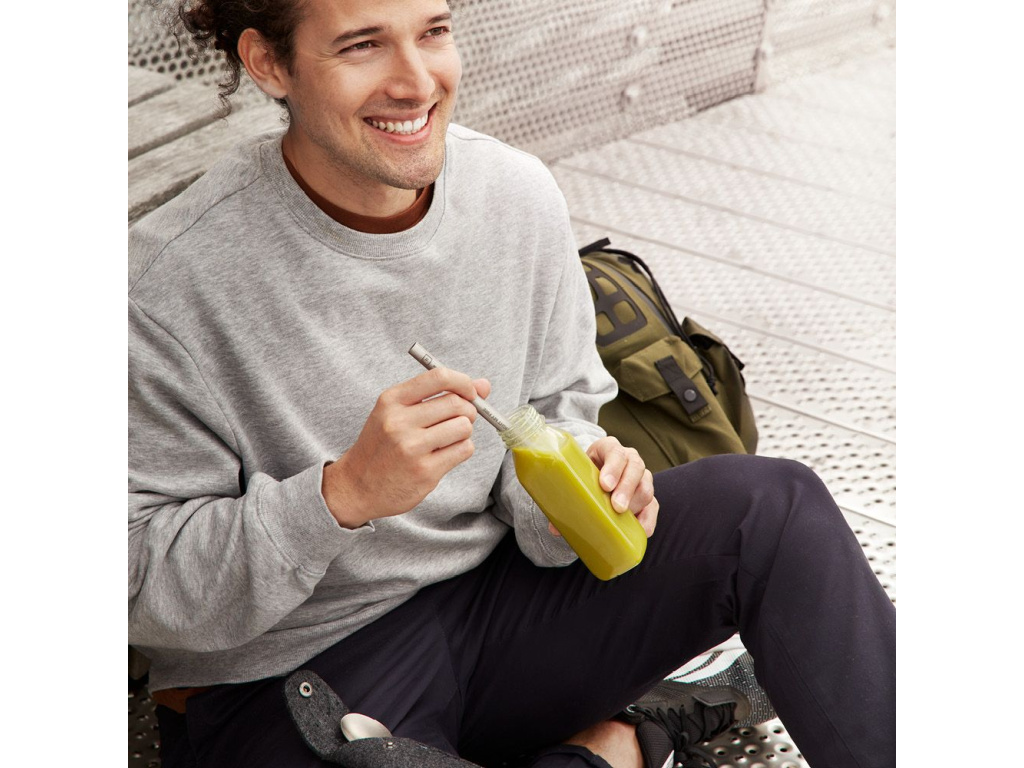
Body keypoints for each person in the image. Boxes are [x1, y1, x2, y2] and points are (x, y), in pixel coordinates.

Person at [127, 1, 896, 766]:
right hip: (287, 680)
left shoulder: (514, 194)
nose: (416, 80)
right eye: (363, 45)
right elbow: (133, 585)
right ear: (269, 64)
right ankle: (624, 743)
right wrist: (341, 496)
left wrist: (576, 482)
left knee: (773, 510)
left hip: (496, 611)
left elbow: (560, 406)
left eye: (433, 32)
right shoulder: (165, 283)